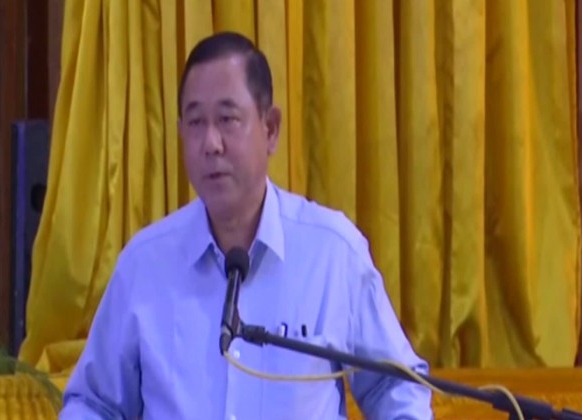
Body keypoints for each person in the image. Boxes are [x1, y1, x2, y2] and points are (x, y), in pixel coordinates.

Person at [59, 31, 433, 419]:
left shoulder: (332, 254)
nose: (211, 143)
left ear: (270, 129)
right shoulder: (145, 264)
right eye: (195, 122)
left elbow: (396, 387)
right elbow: (94, 403)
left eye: (227, 119)